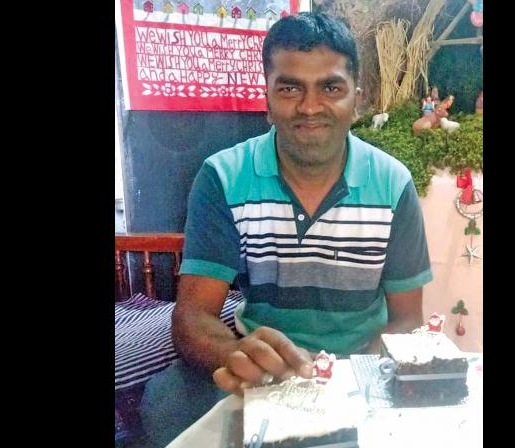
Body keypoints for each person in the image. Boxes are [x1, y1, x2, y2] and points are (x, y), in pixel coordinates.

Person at [139, 12, 433, 447]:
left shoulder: (393, 184)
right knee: (165, 402)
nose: (310, 107)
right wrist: (236, 355)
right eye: (290, 87)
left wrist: (356, 379)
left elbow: (407, 319)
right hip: (258, 365)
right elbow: (193, 318)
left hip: (357, 368)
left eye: (330, 87)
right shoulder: (223, 176)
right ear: (268, 101)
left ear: (358, 100)